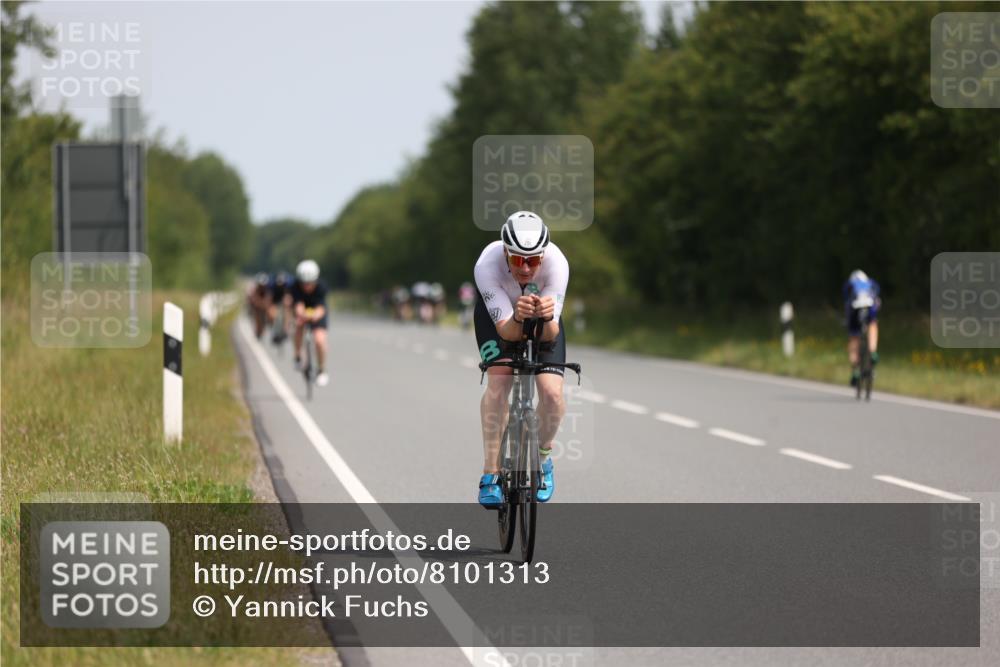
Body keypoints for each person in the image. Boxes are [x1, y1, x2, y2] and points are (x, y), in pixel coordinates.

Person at [473, 211, 569, 508]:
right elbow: (506, 332)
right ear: (505, 252)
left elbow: (550, 334)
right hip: (500, 320)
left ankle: (543, 457)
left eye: (533, 260)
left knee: (552, 394)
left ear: (543, 255)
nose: (526, 268)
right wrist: (517, 316)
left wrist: (546, 317)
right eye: (517, 259)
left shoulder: (557, 263)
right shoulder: (486, 265)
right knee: (499, 381)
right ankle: (491, 472)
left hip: (543, 320)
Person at [291, 259, 330, 387]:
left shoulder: (321, 287)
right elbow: (298, 304)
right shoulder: (295, 287)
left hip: (317, 312)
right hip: (302, 311)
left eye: (310, 283)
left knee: (319, 340)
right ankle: (298, 356)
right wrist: (302, 315)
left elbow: (321, 308)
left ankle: (321, 370)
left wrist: (313, 316)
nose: (306, 286)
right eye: (304, 283)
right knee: (298, 326)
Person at [843, 269, 881, 387]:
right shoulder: (870, 282)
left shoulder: (849, 284)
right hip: (869, 305)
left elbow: (846, 300)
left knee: (854, 338)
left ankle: (855, 371)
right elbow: (877, 295)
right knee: (872, 324)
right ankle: (873, 351)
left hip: (854, 309)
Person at [268, 271, 292, 343]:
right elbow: (269, 297)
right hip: (274, 300)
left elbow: (289, 297)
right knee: (272, 314)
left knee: (287, 312)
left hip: (284, 300)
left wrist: (287, 302)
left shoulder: (288, 285)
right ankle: (273, 329)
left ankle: (285, 329)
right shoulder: (272, 286)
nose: (280, 284)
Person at [247, 272, 272, 339]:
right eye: (261, 285)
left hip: (263, 307)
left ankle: (266, 325)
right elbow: (253, 299)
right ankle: (258, 329)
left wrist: (264, 304)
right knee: (257, 315)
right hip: (257, 307)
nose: (262, 287)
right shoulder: (255, 289)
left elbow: (268, 300)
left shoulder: (267, 290)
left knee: (269, 313)